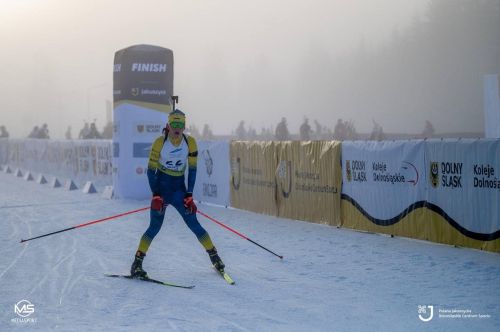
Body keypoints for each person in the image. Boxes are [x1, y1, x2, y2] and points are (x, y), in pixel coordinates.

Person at [130, 109, 226, 278]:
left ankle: (215, 257)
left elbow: (193, 170)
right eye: (174, 124)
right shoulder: (160, 142)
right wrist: (156, 194)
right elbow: (150, 171)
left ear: (184, 126)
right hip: (161, 187)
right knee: (154, 227)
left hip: (178, 190)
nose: (177, 128)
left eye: (180, 125)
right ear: (167, 125)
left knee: (194, 224)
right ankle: (136, 264)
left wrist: (189, 195)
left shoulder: (191, 143)